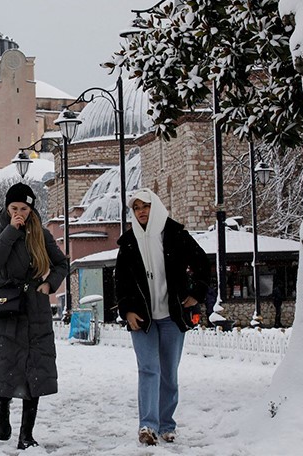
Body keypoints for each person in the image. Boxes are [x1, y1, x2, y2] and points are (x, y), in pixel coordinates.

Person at [114, 188, 210, 446]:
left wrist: (196, 293)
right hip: (142, 318)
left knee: (168, 372)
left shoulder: (176, 235)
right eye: (136, 208)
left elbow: (202, 263)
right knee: (148, 369)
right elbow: (120, 281)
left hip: (172, 315)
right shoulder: (128, 242)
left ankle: (167, 424)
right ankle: (147, 425)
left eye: (145, 206)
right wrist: (127, 310)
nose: (142, 211)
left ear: (154, 206)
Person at [0, 182, 69, 450]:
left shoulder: (41, 235)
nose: (19, 212)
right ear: (7, 209)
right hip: (6, 309)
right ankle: (3, 405)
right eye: (14, 208)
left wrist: (49, 284)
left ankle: (26, 435)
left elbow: (62, 263)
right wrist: (11, 231)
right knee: (8, 366)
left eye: (24, 208)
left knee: (35, 370)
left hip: (35, 309)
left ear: (31, 209)